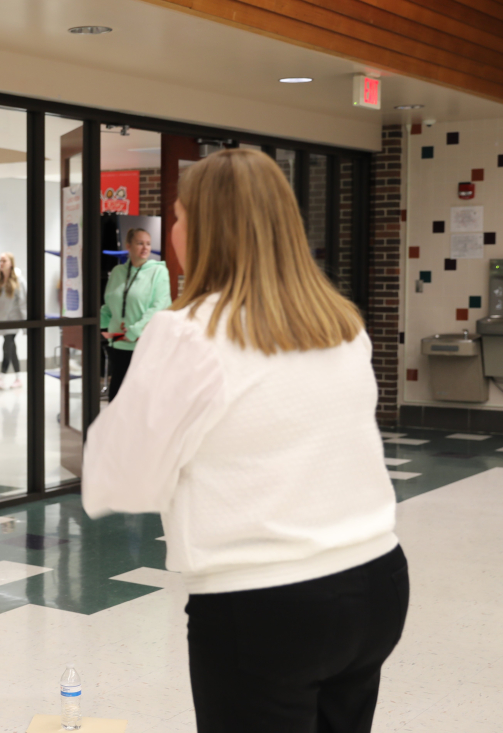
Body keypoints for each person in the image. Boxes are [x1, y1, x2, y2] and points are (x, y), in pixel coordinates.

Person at [83, 149, 408, 733]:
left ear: (208, 230)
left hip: (264, 603)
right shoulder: (340, 323)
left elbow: (119, 477)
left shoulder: (188, 333)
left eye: (179, 217)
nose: (172, 230)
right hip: (376, 581)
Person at [99, 227, 170, 400]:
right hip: (117, 343)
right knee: (117, 396)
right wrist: (102, 328)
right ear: (128, 246)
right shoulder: (117, 272)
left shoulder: (159, 272)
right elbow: (108, 305)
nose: (145, 248)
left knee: (140, 398)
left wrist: (133, 331)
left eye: (148, 244)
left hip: (143, 343)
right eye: (140, 243)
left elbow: (159, 307)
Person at [0, 251, 27, 390]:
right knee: (10, 348)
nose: (1, 263)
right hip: (1, 321)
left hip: (13, 320)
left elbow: (23, 303)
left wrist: (25, 324)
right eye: (0, 261)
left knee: (8, 345)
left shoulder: (19, 282)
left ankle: (5, 377)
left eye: (4, 261)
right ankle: (14, 378)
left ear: (11, 263)